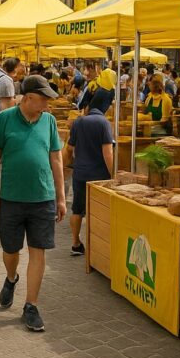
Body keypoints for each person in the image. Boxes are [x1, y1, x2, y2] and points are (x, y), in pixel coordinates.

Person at [0, 75, 66, 332]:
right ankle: (11, 278)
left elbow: (56, 160)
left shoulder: (50, 121)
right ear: (28, 97)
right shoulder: (5, 119)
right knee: (10, 251)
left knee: (38, 251)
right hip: (11, 197)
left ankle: (31, 305)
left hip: (42, 198)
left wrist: (61, 197)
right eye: (43, 99)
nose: (47, 104)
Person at [63, 104, 114, 256]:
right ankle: (99, 247)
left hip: (80, 173)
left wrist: (65, 167)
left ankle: (75, 243)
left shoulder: (78, 122)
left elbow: (69, 149)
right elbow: (108, 153)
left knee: (77, 209)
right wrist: (114, 175)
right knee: (100, 211)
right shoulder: (104, 123)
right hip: (99, 176)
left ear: (86, 107)